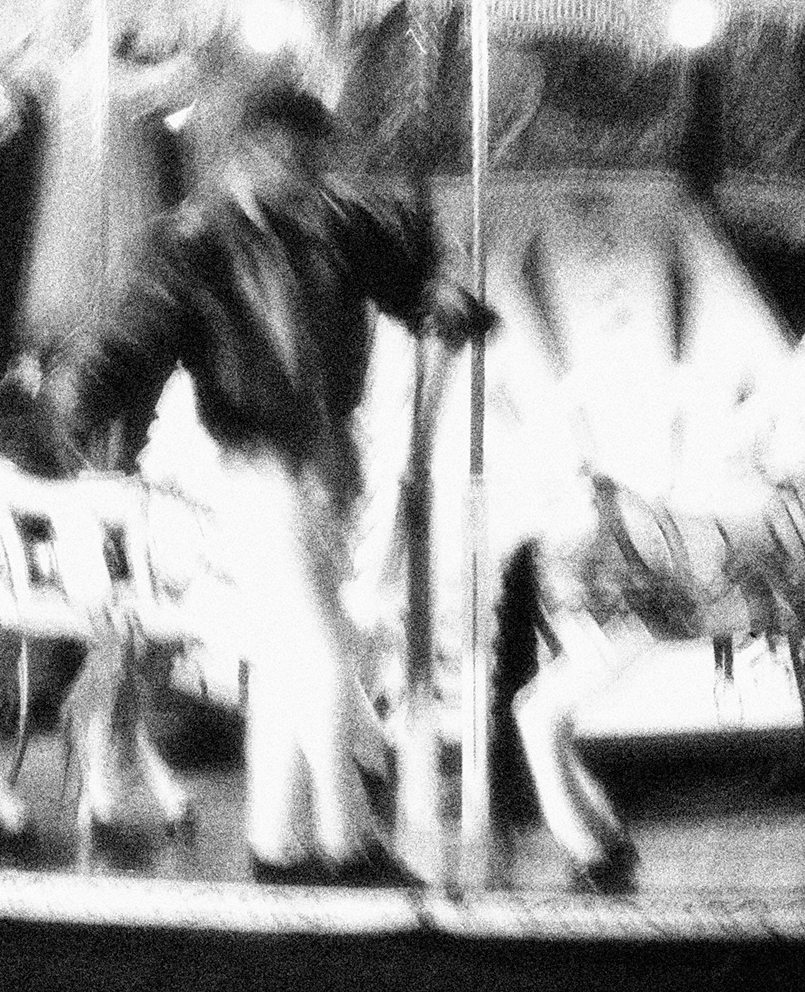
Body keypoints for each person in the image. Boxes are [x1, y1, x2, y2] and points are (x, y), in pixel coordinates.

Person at [31, 79, 493, 885]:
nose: (310, 178)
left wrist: (438, 296)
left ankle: (276, 840)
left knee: (287, 657)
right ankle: (348, 839)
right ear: (249, 156)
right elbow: (134, 331)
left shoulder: (331, 224)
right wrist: (77, 396)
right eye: (295, 161)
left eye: (317, 163)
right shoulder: (194, 243)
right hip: (254, 463)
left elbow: (407, 269)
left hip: (329, 460)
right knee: (321, 651)